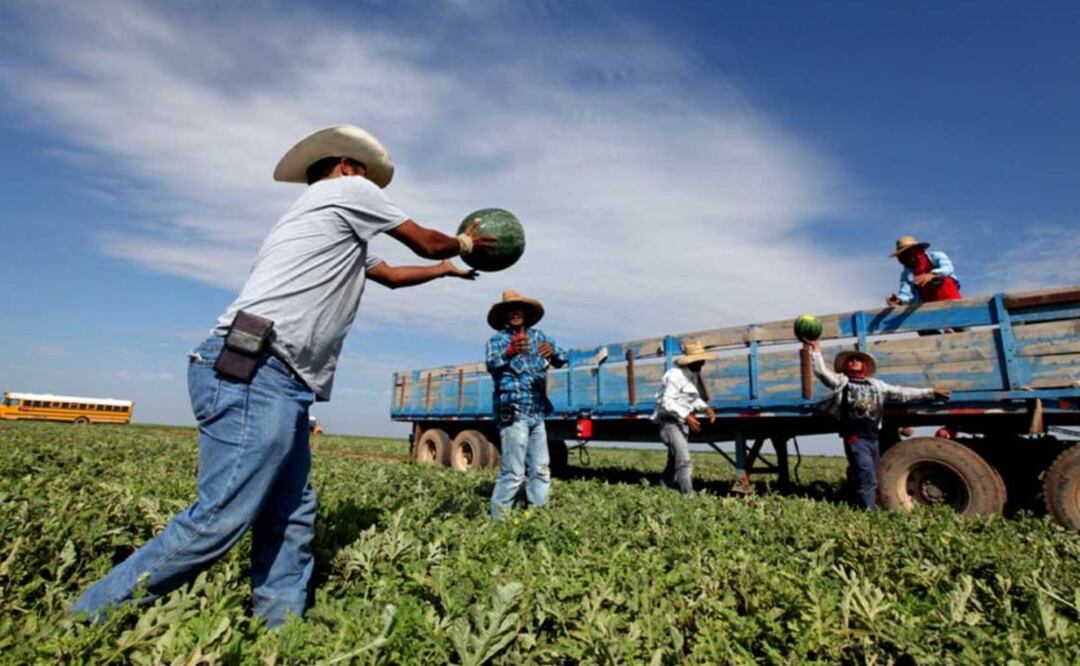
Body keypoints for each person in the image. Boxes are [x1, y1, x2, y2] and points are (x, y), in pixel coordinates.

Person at [71, 125, 494, 627]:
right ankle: (80, 622)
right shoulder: (348, 194)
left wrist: (446, 270)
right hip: (256, 367)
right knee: (218, 519)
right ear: (347, 167)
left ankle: (280, 631)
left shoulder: (329, 226)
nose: (375, 188)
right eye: (369, 176)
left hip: (276, 377)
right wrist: (466, 242)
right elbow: (424, 241)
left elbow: (394, 275)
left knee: (292, 513)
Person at [805, 340, 951, 509]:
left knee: (871, 473)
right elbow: (821, 372)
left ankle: (859, 502)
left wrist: (930, 393)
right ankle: (868, 510)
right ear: (845, 366)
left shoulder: (876, 385)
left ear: (864, 366)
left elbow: (901, 393)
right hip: (855, 437)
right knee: (866, 473)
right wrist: (815, 351)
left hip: (874, 437)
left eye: (857, 360)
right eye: (850, 360)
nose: (854, 361)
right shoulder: (842, 382)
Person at [485, 290, 567, 518]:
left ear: (526, 313)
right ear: (504, 315)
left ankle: (537, 516)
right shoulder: (498, 341)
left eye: (518, 309)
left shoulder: (540, 337)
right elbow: (492, 364)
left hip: (537, 414)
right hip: (513, 412)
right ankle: (499, 522)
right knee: (513, 471)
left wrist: (554, 353)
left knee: (541, 469)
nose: (514, 313)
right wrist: (510, 351)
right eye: (509, 310)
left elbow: (562, 357)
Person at [650, 340, 717, 495]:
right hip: (669, 422)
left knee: (673, 460)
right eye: (700, 360)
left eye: (703, 359)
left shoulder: (691, 375)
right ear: (692, 361)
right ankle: (688, 496)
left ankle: (661, 487)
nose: (703, 363)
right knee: (684, 460)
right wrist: (687, 416)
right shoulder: (675, 375)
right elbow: (668, 402)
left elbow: (691, 398)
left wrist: (705, 408)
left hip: (679, 422)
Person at [886, 235, 963, 307]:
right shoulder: (907, 273)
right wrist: (899, 300)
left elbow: (948, 268)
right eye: (904, 254)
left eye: (909, 252)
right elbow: (906, 293)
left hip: (951, 299)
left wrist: (932, 275)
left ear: (918, 249)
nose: (908, 256)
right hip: (929, 306)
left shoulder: (936, 256)